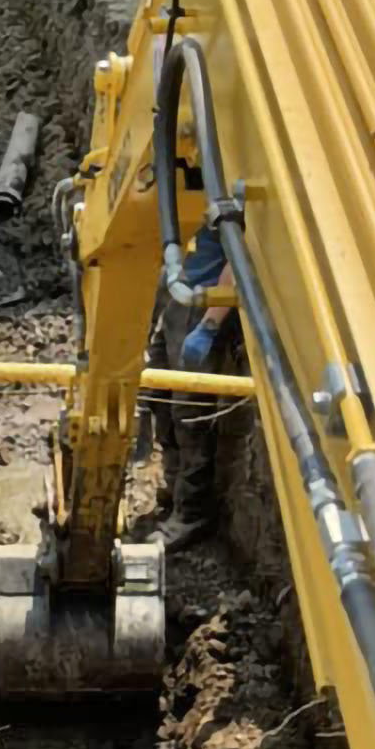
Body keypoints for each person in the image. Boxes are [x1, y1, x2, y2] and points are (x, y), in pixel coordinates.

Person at [145, 223, 239, 550]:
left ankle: (192, 512)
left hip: (202, 310)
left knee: (189, 413)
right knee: (156, 393)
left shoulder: (237, 201)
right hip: (176, 304)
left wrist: (209, 327)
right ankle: (175, 484)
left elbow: (239, 261)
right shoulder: (205, 186)